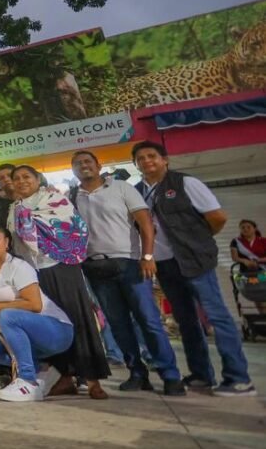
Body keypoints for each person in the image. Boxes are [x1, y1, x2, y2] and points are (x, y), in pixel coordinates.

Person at [133, 141, 255, 396]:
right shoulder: (138, 192)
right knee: (186, 321)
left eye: (151, 156)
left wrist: (198, 241)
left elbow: (218, 217)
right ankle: (201, 375)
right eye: (141, 158)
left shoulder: (185, 183)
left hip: (195, 260)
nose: (147, 161)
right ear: (136, 164)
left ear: (165, 159)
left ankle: (238, 378)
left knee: (217, 316)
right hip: (165, 265)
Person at [70, 151, 184, 396]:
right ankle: (137, 373)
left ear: (99, 165)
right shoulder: (72, 196)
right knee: (118, 325)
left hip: (130, 264)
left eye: (88, 161)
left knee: (149, 321)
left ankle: (170, 375)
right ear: (73, 170)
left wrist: (148, 256)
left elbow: (145, 222)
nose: (83, 166)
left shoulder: (121, 187)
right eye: (78, 164)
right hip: (95, 268)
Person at [8, 165, 111, 399]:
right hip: (34, 273)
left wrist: (28, 216)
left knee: (78, 319)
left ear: (38, 179)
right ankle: (65, 377)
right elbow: (18, 241)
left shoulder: (54, 199)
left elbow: (71, 228)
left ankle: (93, 380)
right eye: (17, 178)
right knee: (51, 323)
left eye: (27, 177)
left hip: (61, 265)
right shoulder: (14, 207)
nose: (22, 181)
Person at [0, 224, 74, 402]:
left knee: (8, 315)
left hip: (55, 329)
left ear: (7, 242)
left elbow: (35, 305)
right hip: (26, 333)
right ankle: (42, 371)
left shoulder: (19, 266)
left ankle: (28, 381)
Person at [231, 219, 266, 313]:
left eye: (248, 227)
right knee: (256, 293)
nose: (246, 229)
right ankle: (263, 316)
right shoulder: (236, 241)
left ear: (254, 228)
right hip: (246, 274)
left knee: (263, 289)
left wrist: (258, 260)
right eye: (243, 228)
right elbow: (235, 257)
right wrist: (245, 261)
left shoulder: (263, 241)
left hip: (263, 271)